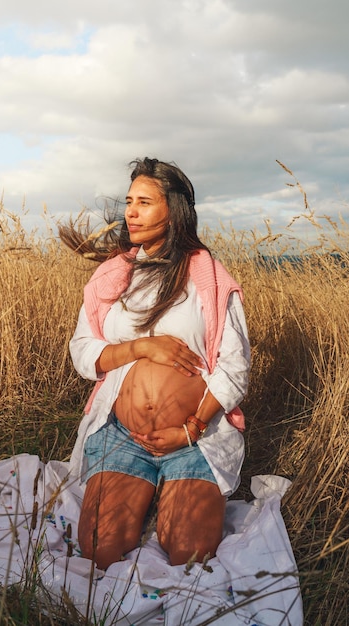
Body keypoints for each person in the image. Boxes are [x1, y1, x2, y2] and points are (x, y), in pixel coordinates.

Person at [59, 157, 250, 571]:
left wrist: (191, 429)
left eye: (144, 202)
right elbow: (83, 350)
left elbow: (234, 366)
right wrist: (143, 348)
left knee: (190, 553)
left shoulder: (208, 276)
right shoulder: (114, 275)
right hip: (124, 434)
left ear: (174, 210)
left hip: (195, 437)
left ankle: (168, 492)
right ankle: (143, 492)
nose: (131, 212)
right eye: (129, 201)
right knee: (98, 548)